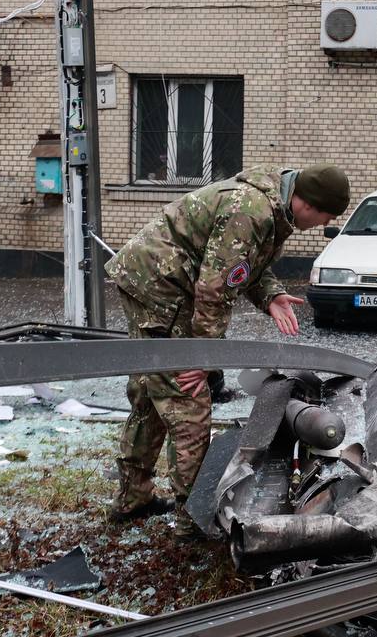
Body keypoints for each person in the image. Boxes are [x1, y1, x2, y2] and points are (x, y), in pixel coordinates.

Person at [103, 164, 350, 539]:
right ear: (307, 202)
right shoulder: (251, 210)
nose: (321, 225)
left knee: (151, 394)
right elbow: (214, 289)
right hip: (161, 288)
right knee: (187, 400)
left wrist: (269, 295)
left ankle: (133, 498)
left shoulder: (271, 205)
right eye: (324, 217)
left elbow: (245, 261)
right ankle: (192, 521)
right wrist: (203, 360)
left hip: (156, 280)